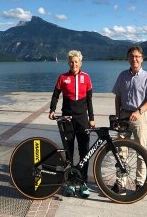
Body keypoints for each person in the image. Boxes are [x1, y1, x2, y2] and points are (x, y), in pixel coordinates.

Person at [112, 45, 147, 193]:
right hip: (124, 116)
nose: (135, 59)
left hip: (140, 117)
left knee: (141, 151)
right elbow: (118, 97)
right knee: (121, 151)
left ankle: (140, 183)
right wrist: (118, 116)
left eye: (137, 56)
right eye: (132, 56)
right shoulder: (122, 76)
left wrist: (139, 111)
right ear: (128, 59)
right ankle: (120, 183)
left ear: (142, 59)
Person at [49, 50, 95, 197]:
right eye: (71, 61)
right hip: (67, 119)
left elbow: (89, 100)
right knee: (69, 152)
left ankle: (83, 182)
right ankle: (69, 182)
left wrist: (92, 118)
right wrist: (52, 109)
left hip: (82, 119)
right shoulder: (62, 77)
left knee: (84, 153)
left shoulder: (86, 77)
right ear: (68, 62)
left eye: (76, 61)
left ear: (80, 63)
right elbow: (56, 95)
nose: (74, 64)